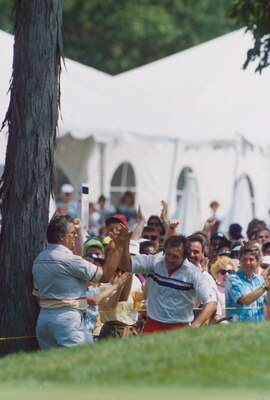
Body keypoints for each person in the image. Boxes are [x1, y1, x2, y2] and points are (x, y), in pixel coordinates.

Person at [32, 214, 128, 350]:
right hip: (68, 321)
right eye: (72, 233)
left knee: (52, 370)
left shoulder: (38, 260)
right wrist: (119, 247)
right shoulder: (70, 261)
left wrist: (78, 230)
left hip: (43, 321)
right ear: (61, 237)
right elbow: (105, 276)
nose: (75, 236)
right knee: (72, 367)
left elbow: (37, 296)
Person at [119, 234, 217, 333]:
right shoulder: (154, 262)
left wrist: (195, 325)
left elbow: (211, 302)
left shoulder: (193, 274)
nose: (170, 259)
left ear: (184, 257)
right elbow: (125, 265)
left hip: (180, 329)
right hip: (152, 326)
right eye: (168, 254)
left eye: (175, 257)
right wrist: (123, 245)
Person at [225, 242, 270, 322]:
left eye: (251, 259)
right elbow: (246, 300)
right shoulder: (232, 279)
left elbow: (268, 303)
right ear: (239, 261)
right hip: (237, 329)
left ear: (257, 263)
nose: (247, 263)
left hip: (258, 329)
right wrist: (266, 286)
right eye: (244, 259)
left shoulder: (261, 280)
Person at [210, 256, 237, 321]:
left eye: (230, 271)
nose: (227, 274)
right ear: (217, 274)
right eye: (223, 272)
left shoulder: (237, 290)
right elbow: (217, 317)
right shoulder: (214, 291)